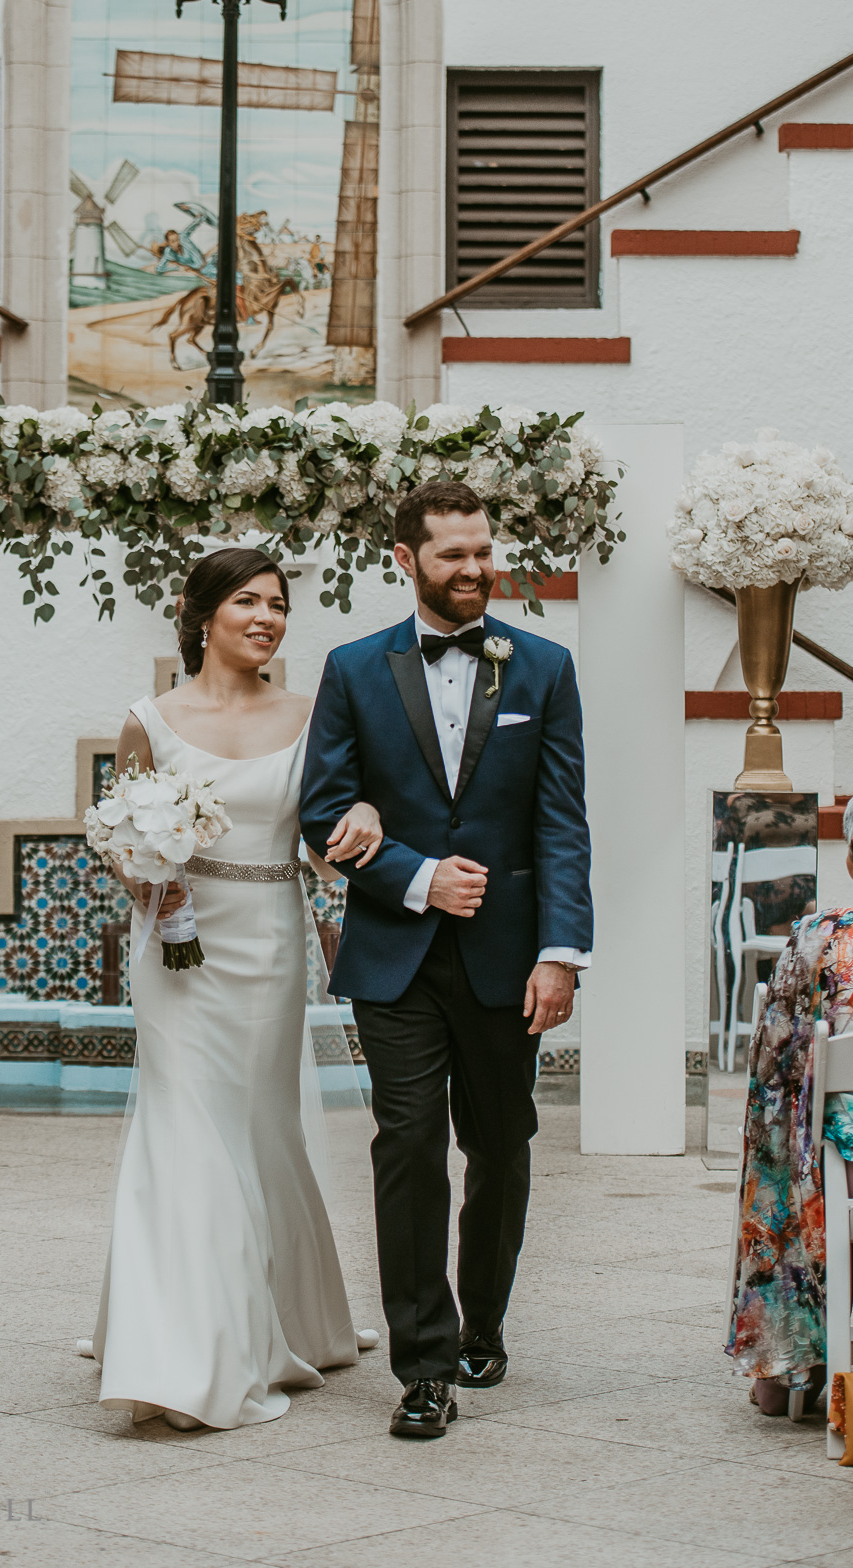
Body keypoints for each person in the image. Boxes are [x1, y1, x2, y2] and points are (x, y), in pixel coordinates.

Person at [300, 480, 593, 1439]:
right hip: (397, 957)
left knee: (501, 1148)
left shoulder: (543, 667)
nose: (474, 570)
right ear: (405, 560)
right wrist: (418, 877)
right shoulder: (351, 669)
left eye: (483, 552)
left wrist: (559, 953)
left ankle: (486, 1321)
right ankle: (422, 1365)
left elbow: (560, 821)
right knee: (409, 1148)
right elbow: (321, 809)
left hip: (510, 961)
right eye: (452, 555)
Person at [90, 547, 385, 1431]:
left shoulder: (311, 713)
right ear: (201, 613)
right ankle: (182, 1351)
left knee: (260, 1127)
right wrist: (146, 872)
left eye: (278, 604)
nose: (266, 617)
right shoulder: (149, 719)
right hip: (178, 949)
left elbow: (331, 823)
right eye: (247, 602)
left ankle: (286, 1318)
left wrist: (366, 814)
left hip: (270, 938)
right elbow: (117, 833)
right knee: (183, 1124)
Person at [726, 798, 853, 1416]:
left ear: (851, 862)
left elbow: (772, 1069)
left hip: (837, 1175)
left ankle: (786, 1361)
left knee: (779, 1131)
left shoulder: (818, 938)